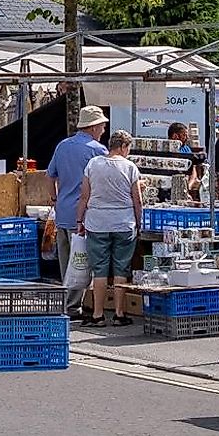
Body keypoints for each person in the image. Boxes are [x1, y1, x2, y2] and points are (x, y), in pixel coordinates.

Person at [74, 132, 145, 325]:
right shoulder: (130, 167)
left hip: (97, 222)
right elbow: (137, 200)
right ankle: (119, 314)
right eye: (128, 148)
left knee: (100, 269)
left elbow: (84, 197)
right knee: (121, 268)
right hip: (124, 223)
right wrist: (139, 223)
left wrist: (79, 221)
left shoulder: (93, 164)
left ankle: (98, 314)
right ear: (123, 147)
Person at [48, 106, 108, 285]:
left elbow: (50, 177)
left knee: (66, 264)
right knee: (81, 265)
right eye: (102, 127)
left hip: (63, 212)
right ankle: (74, 306)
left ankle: (66, 302)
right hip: (84, 216)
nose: (103, 131)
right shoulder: (98, 150)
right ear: (93, 127)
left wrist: (54, 200)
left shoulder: (62, 146)